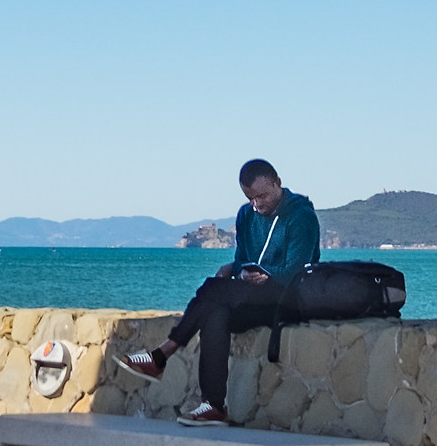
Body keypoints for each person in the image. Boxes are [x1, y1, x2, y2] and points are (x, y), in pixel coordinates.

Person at [119, 162, 320, 425]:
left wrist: (267, 274)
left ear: (277, 183)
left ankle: (162, 354)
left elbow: (297, 268)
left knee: (212, 289)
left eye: (262, 196)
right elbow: (242, 260)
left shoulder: (300, 215)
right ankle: (213, 405)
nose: (257, 204)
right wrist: (241, 270)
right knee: (215, 312)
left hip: (288, 296)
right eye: (251, 198)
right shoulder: (246, 215)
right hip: (255, 296)